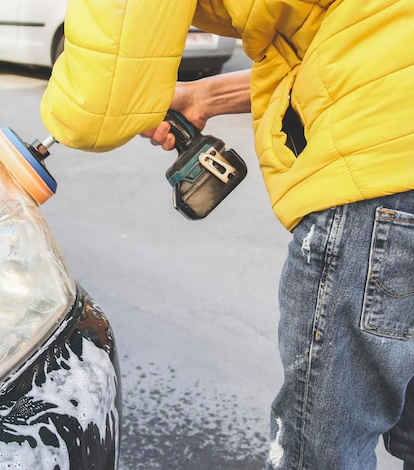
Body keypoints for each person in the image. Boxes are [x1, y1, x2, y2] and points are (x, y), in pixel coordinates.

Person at [39, 0, 414, 468]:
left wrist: (57, 125)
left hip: (377, 177)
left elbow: (98, 103)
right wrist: (205, 97)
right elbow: (353, 41)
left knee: (318, 449)